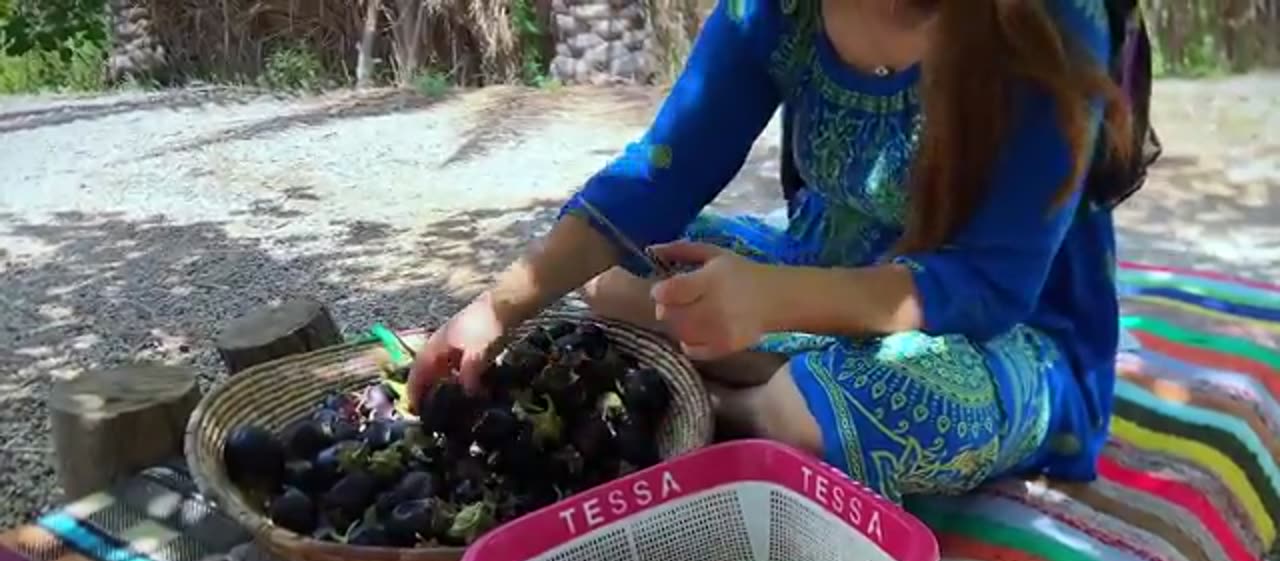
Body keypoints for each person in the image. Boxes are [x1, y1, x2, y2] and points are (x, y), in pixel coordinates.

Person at [408, 0, 1133, 503]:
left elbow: (990, 284)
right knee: (617, 276)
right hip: (822, 265)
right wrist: (492, 314)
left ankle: (738, 402)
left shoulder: (1045, 22)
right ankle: (774, 370)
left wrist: (773, 302)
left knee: (820, 408)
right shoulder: (778, 10)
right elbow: (662, 173)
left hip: (1005, 337)